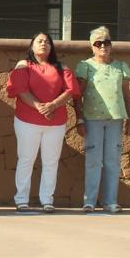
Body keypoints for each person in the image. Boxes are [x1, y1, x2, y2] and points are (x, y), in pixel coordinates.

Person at [6, 33, 78, 213]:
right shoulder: (24, 65)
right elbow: (20, 89)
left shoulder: (62, 67)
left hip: (55, 123)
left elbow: (71, 90)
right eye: (39, 41)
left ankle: (47, 199)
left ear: (52, 47)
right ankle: (21, 199)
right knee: (26, 159)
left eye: (47, 41)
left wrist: (53, 105)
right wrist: (40, 107)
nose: (44, 44)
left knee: (51, 162)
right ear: (31, 46)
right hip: (27, 122)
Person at [73, 27, 130, 214]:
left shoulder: (120, 66)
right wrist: (79, 118)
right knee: (93, 160)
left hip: (115, 119)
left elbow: (126, 94)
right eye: (98, 43)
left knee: (112, 161)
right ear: (92, 46)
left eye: (106, 42)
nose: (103, 46)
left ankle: (110, 201)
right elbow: (77, 95)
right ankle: (89, 200)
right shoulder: (86, 66)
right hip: (92, 119)